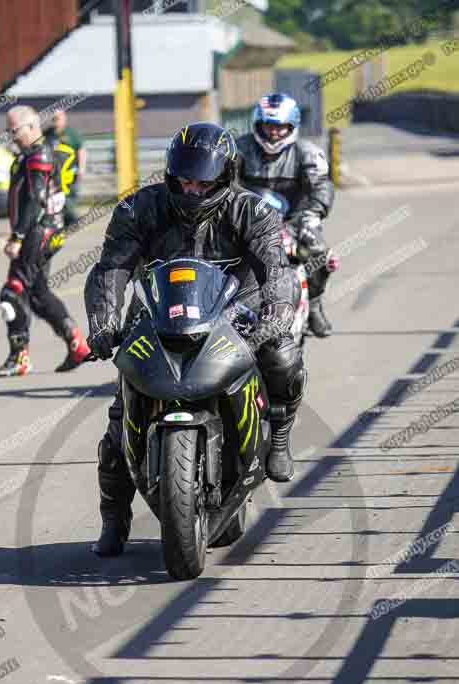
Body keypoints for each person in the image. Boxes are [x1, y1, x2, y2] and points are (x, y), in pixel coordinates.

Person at [84, 122, 307, 557]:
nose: (192, 190)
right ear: (170, 175)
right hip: (155, 313)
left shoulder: (254, 212)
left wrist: (276, 315)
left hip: (235, 313)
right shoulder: (138, 209)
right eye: (184, 180)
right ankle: (114, 518)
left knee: (283, 357)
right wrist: (103, 322)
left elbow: (276, 271)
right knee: (117, 425)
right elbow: (111, 268)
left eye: (204, 182)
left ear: (225, 177)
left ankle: (278, 435)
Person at [0, 105, 90, 377]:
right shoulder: (28, 154)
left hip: (38, 233)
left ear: (32, 126)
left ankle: (19, 357)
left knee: (11, 293)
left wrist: (18, 237)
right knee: (37, 294)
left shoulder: (39, 154)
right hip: (45, 232)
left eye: (15, 130)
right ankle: (77, 344)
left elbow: (35, 199)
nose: (11, 136)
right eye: (8, 131)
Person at [236, 93, 336, 337]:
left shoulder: (308, 153)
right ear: (258, 125)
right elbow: (226, 185)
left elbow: (321, 186)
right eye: (269, 126)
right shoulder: (239, 149)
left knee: (320, 253)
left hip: (295, 221)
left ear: (292, 127)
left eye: (281, 127)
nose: (274, 133)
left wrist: (312, 216)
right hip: (250, 221)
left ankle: (313, 306)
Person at [44, 110, 86, 226]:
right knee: (54, 196)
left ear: (64, 118)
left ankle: (71, 220)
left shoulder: (71, 134)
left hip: (69, 172)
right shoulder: (47, 133)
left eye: (58, 118)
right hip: (54, 173)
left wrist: (82, 168)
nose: (56, 121)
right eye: (54, 119)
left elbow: (81, 150)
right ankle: (58, 220)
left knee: (69, 197)